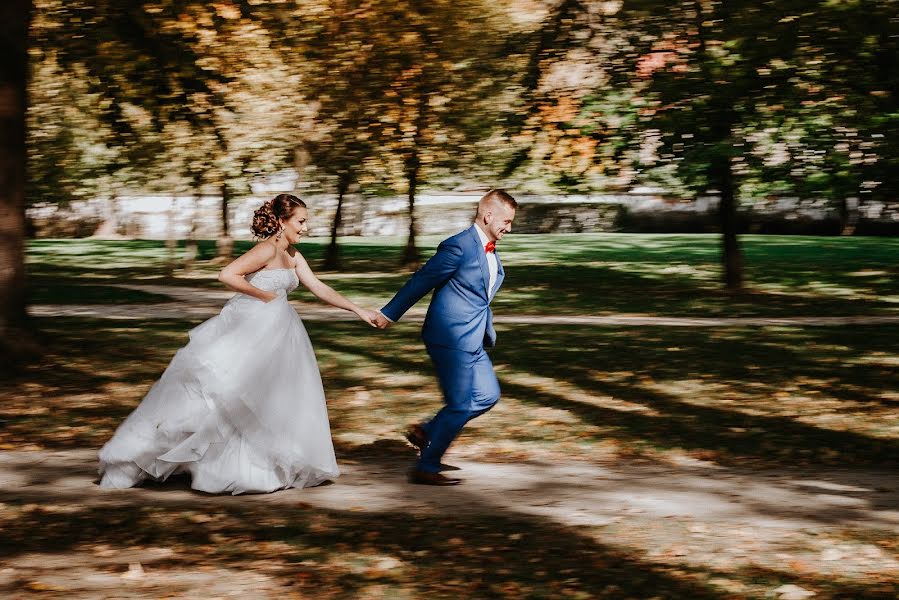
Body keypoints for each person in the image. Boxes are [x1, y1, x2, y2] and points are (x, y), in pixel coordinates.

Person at [98, 194, 380, 495]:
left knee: (266, 397)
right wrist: (266, 297)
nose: (306, 227)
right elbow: (228, 274)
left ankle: (252, 466)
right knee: (227, 395)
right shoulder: (267, 249)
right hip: (251, 328)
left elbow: (318, 287)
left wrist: (358, 310)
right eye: (301, 221)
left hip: (278, 332)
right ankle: (153, 459)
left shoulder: (294, 255)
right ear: (282, 222)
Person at [373, 189, 517, 485]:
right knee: (461, 403)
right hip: (449, 336)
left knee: (488, 395)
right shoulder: (459, 246)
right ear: (488, 216)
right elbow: (422, 280)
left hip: (473, 337)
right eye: (506, 221)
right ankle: (426, 466)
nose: (509, 228)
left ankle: (427, 431)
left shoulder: (489, 248)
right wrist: (389, 313)